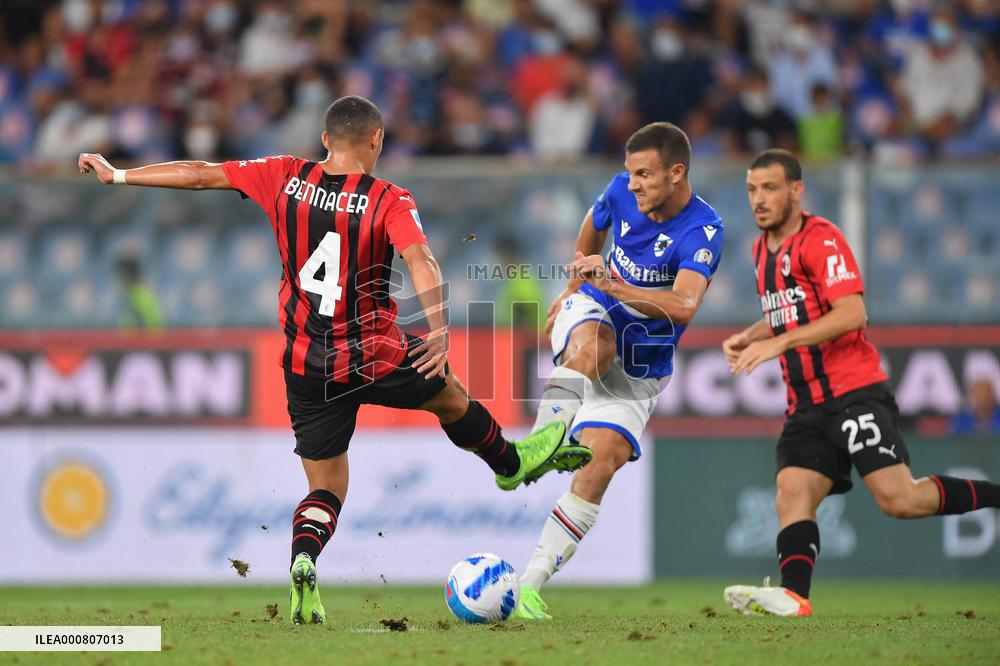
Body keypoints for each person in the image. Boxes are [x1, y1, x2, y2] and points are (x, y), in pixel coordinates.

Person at [78, 95, 591, 625]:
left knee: (325, 488)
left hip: (307, 364)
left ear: (325, 140)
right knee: (450, 395)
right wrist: (439, 329)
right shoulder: (389, 198)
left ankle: (304, 558)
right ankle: (509, 464)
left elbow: (200, 174)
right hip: (373, 353)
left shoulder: (282, 174)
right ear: (377, 140)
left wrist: (119, 175)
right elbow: (421, 259)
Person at [722, 149, 1000, 618]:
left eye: (769, 188)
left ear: (796, 190)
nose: (759, 199)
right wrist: (752, 335)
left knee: (900, 499)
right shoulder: (759, 250)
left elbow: (852, 313)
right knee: (792, 491)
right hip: (806, 404)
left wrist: (780, 343)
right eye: (752, 189)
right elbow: (792, 311)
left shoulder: (821, 239)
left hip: (853, 393)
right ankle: (795, 597)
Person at [513, 122, 725, 620]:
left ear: (677, 173)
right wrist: (573, 284)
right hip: (594, 314)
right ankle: (540, 442)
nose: (633, 184)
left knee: (600, 464)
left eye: (644, 175)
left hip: (643, 366)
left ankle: (529, 585)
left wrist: (616, 284)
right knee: (597, 347)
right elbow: (595, 223)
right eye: (630, 173)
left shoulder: (703, 230)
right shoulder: (620, 191)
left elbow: (685, 305)